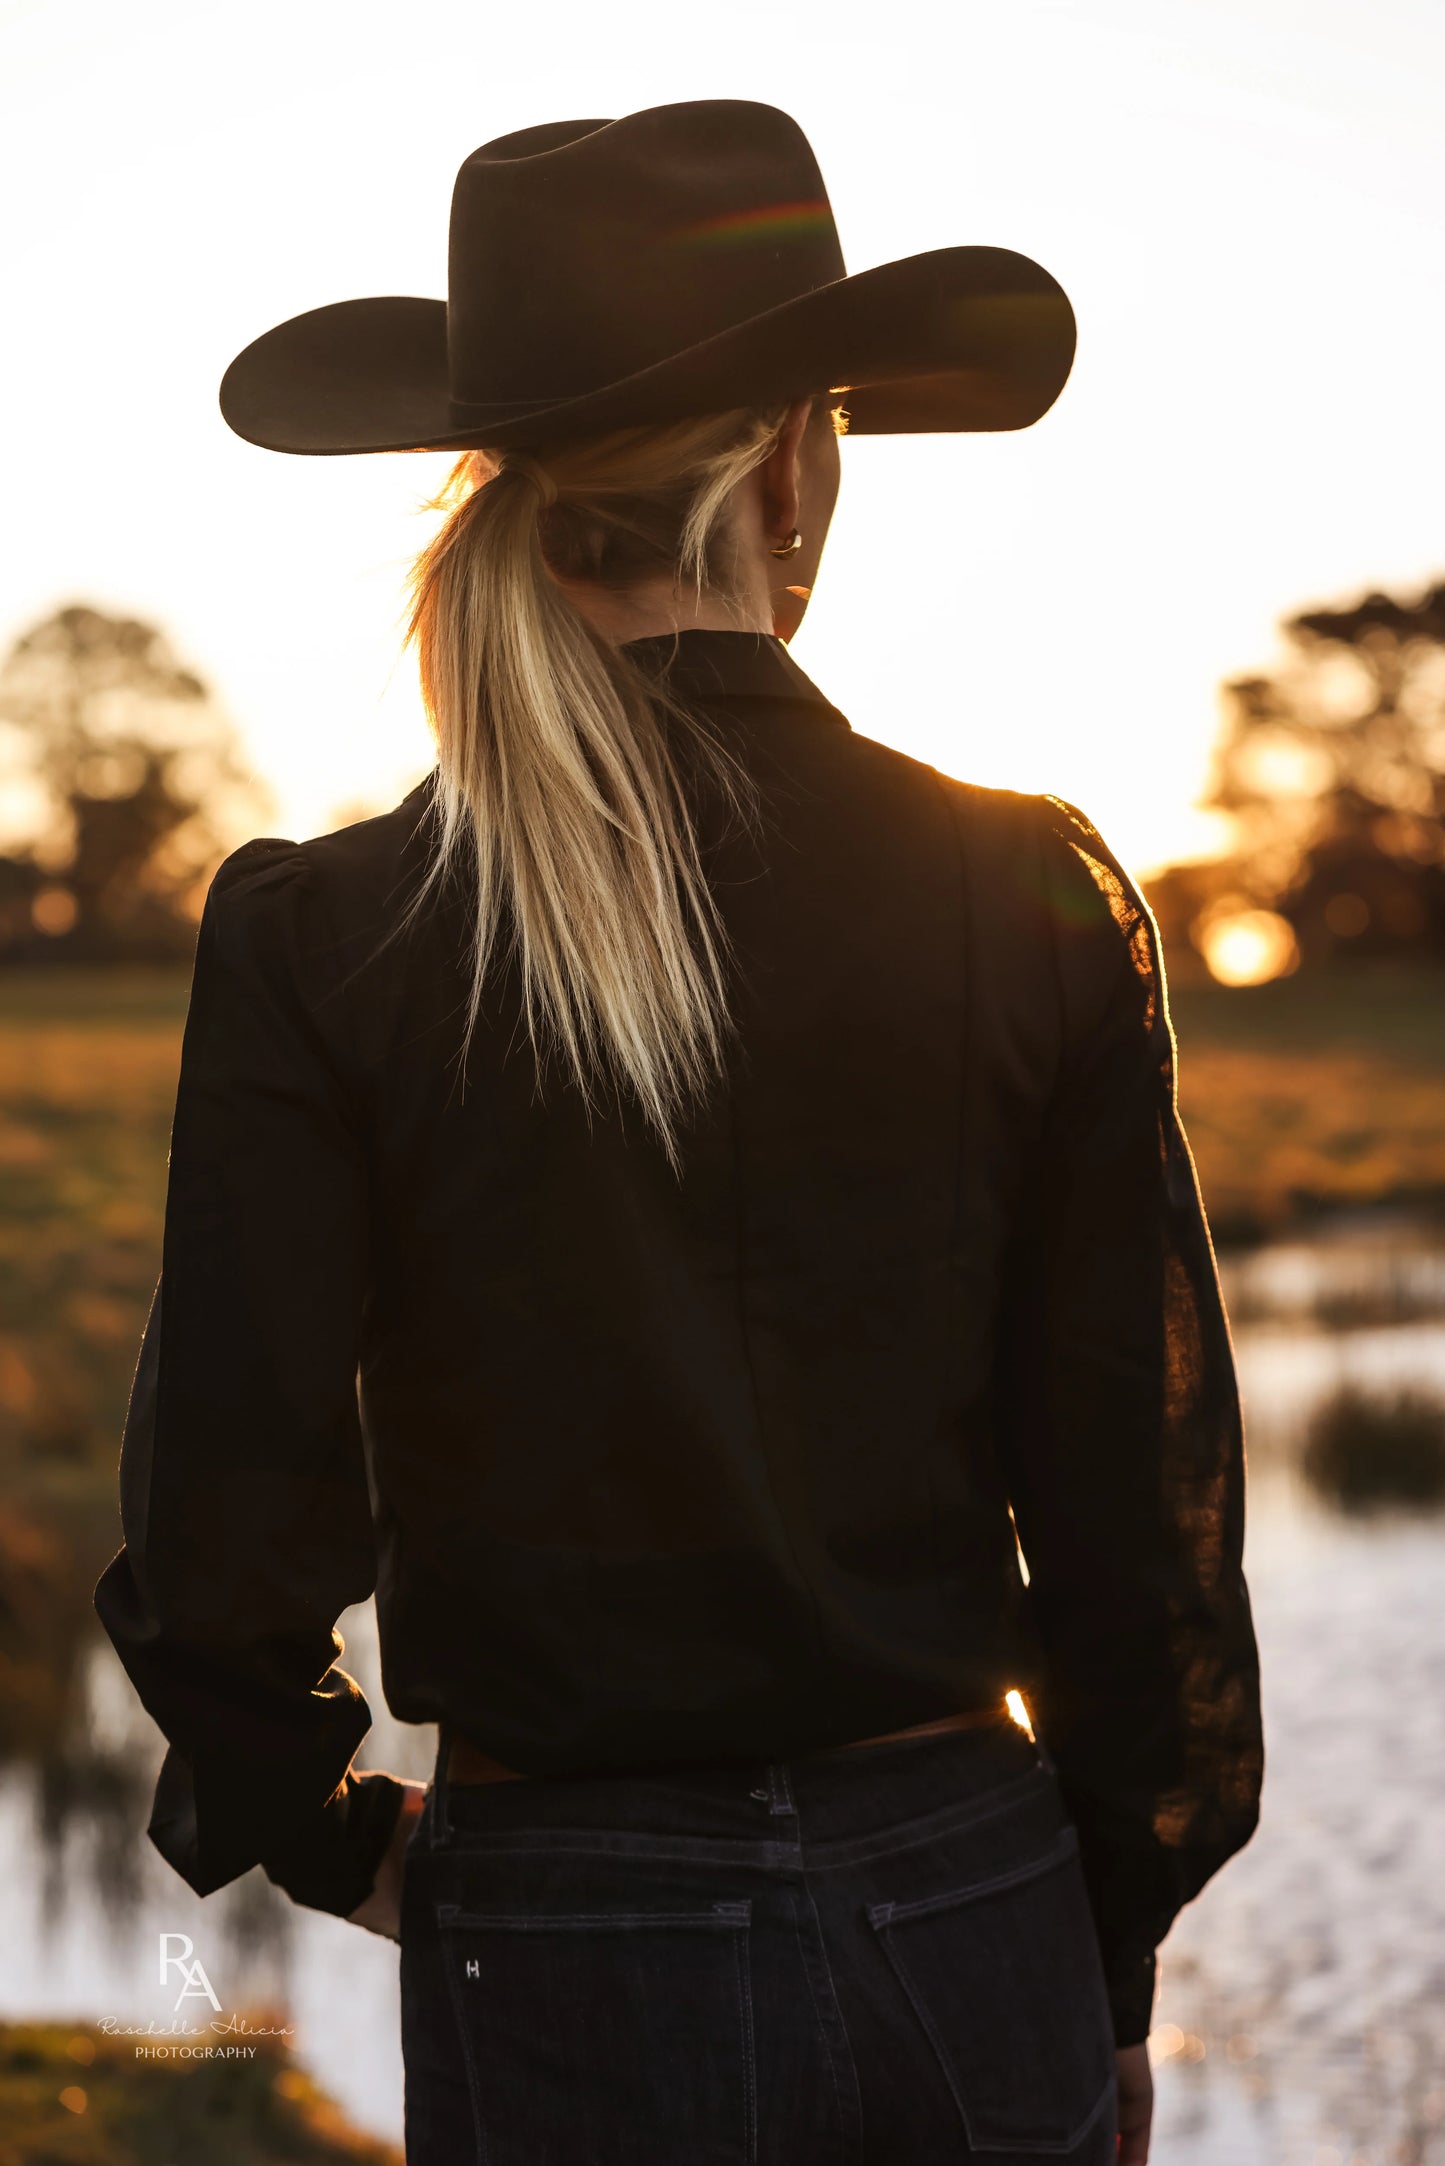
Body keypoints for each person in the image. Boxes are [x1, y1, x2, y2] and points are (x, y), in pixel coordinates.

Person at [94, 100, 1262, 2166]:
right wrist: (1101, 1935)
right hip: (978, 1890)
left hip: (565, 1920)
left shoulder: (331, 933)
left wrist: (338, 1833)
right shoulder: (1036, 897)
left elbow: (221, 1529)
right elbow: (1138, 1523)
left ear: (518, 511)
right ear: (804, 472)